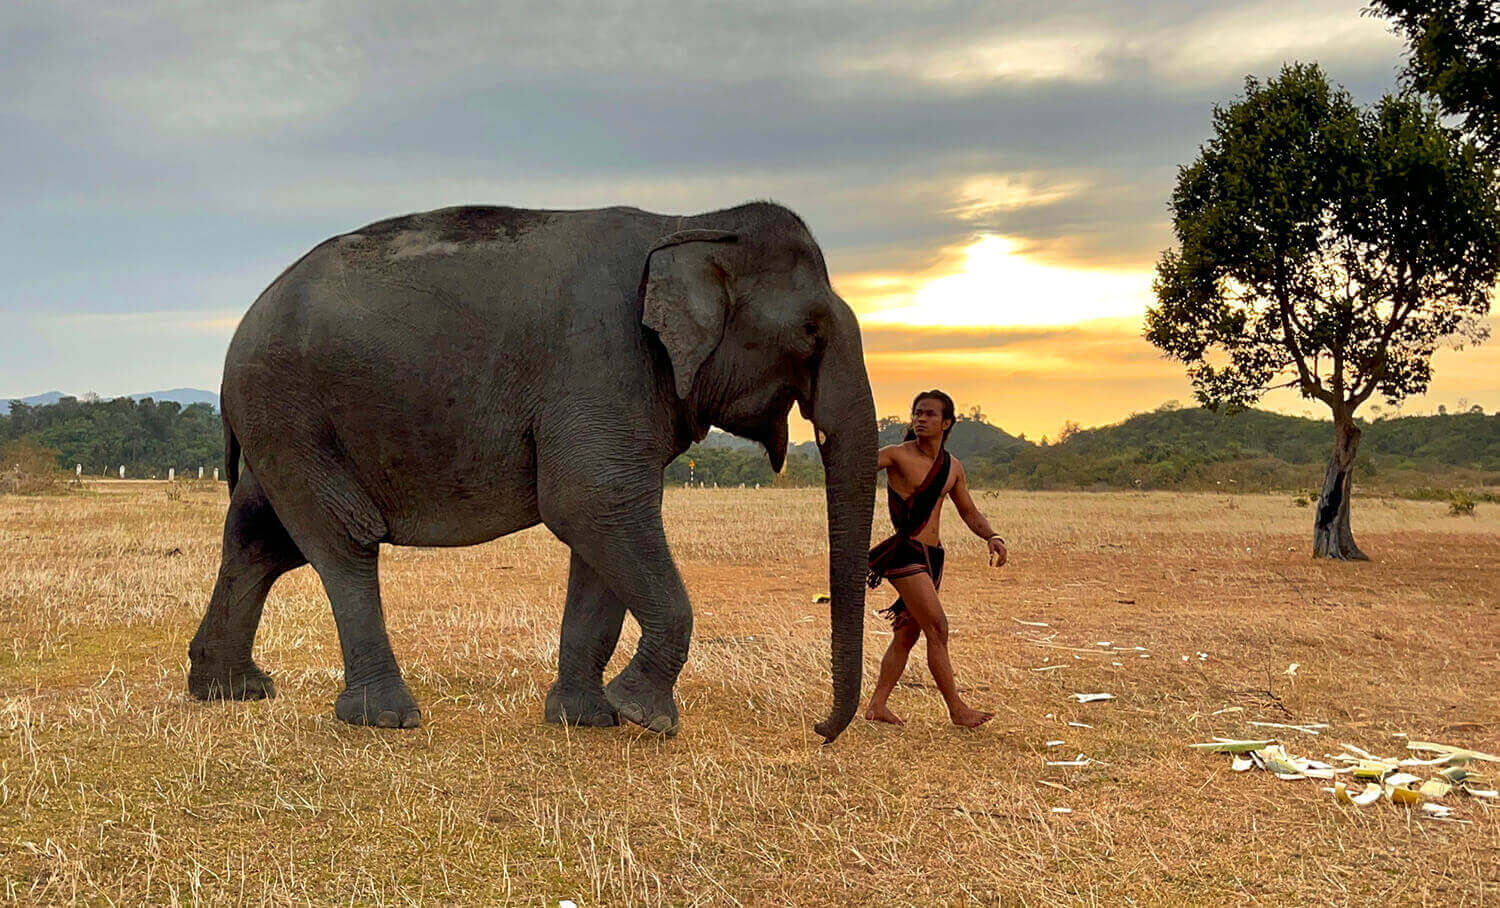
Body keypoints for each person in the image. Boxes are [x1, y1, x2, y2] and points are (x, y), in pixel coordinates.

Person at [865, 390, 1006, 727]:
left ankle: (877, 706)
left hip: (933, 557)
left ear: (946, 423)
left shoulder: (952, 467)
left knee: (906, 635)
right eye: (917, 413)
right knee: (938, 627)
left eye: (929, 414)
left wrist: (992, 536)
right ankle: (957, 709)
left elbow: (969, 511)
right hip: (905, 552)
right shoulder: (896, 455)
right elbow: (857, 466)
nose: (921, 419)